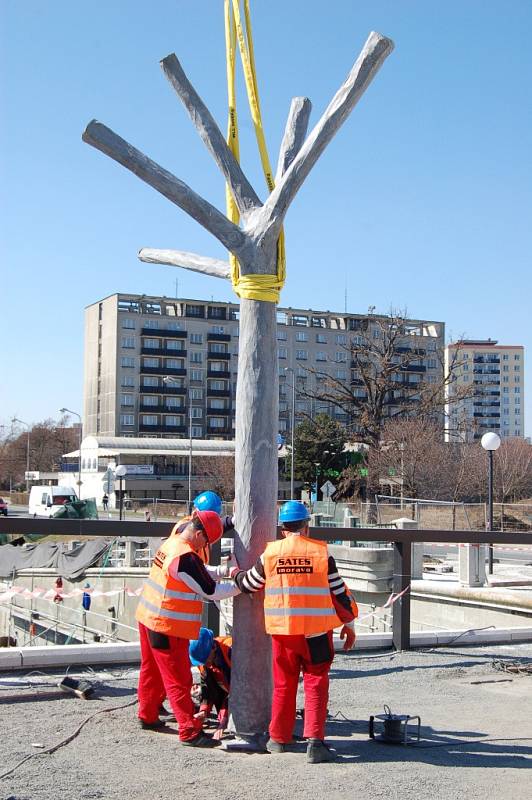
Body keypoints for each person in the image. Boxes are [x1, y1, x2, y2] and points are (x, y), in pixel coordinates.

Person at [232, 500, 358, 763]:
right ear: (306, 526)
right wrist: (349, 623)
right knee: (315, 682)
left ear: (283, 529)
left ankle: (278, 738)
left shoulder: (271, 554)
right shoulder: (321, 554)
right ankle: (315, 742)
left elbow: (249, 583)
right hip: (315, 633)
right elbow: (340, 594)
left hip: (283, 632)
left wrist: (234, 573)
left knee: (283, 684)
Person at [135, 509, 240, 747]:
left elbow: (199, 573)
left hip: (147, 616)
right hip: (167, 625)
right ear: (200, 534)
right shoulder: (186, 556)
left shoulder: (175, 540)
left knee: (151, 671)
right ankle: (188, 731)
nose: (206, 546)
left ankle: (147, 715)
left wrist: (223, 572)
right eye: (207, 541)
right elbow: (210, 591)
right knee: (178, 679)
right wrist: (240, 585)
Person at [189, 627, 232, 740]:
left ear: (213, 647)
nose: (206, 664)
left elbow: (240, 690)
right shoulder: (203, 660)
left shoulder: (232, 651)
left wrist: (225, 718)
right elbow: (207, 687)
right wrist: (203, 710)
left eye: (206, 660)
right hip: (228, 690)